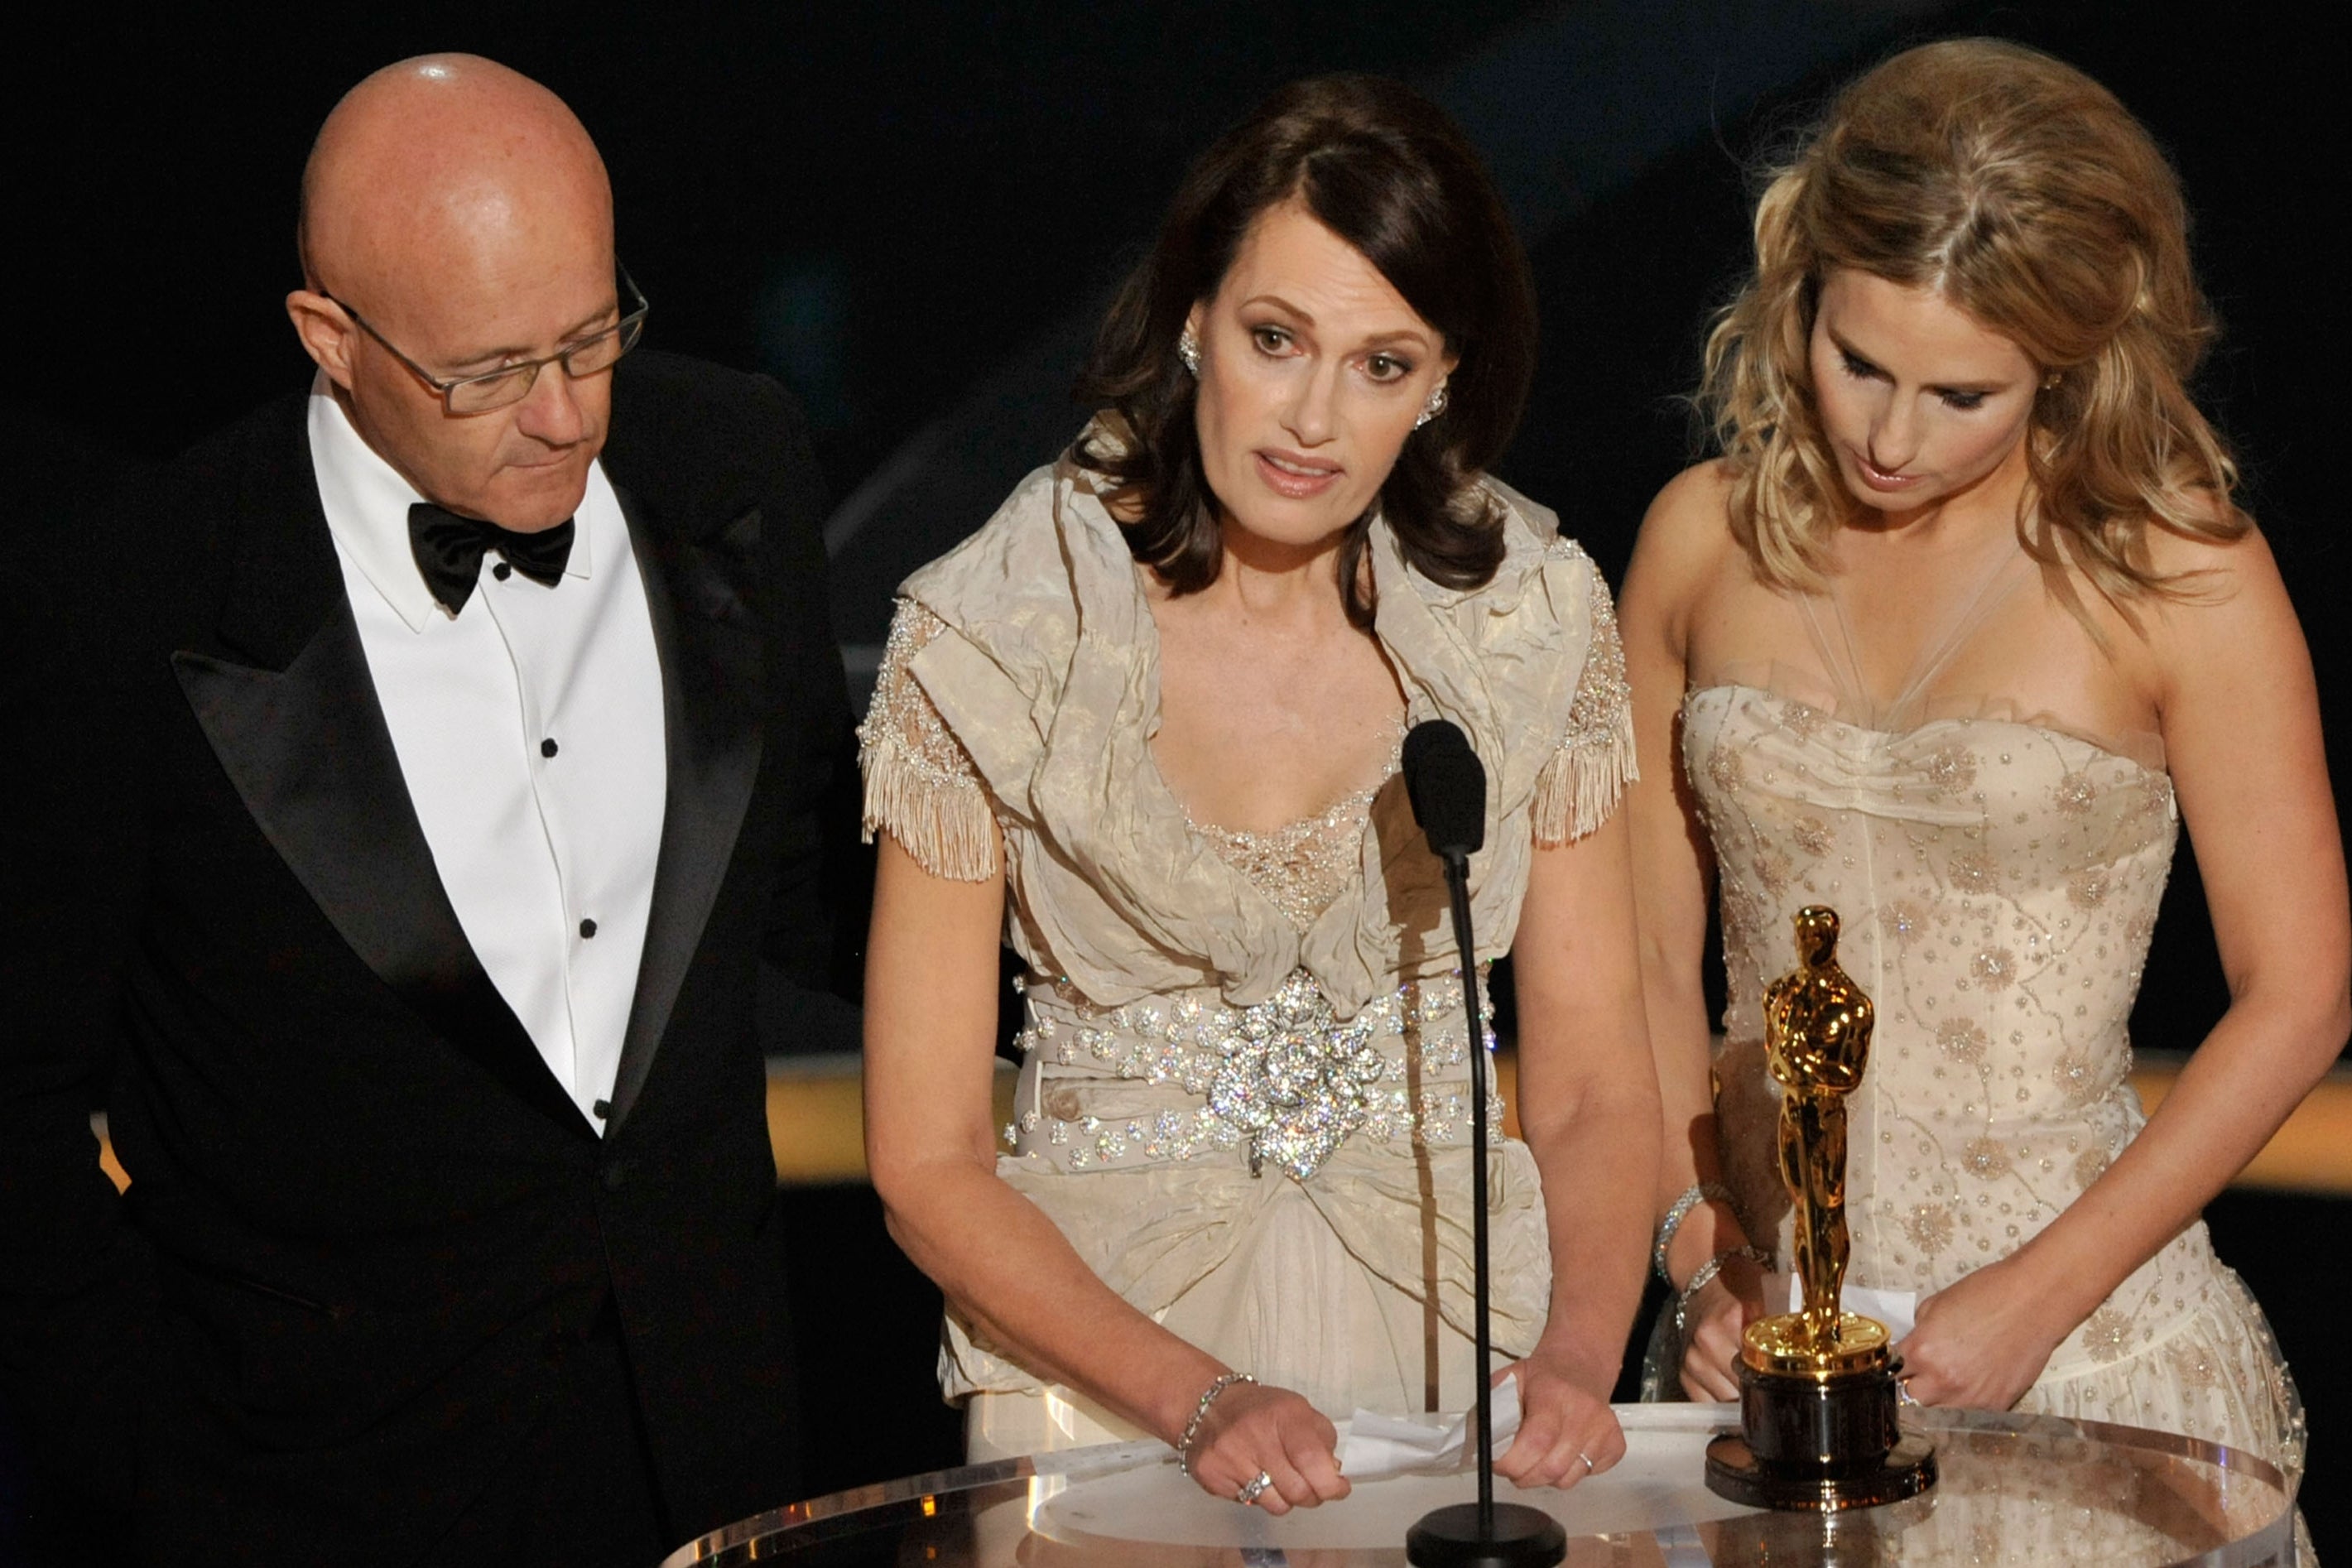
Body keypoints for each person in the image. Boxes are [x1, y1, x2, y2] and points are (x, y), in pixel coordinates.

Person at [0, 55, 849, 1566]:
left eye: (596, 336)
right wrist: (136, 1446)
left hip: (717, 1455)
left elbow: (802, 882)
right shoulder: (130, 595)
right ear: (329, 338)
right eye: (488, 370)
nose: (566, 415)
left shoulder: (737, 458)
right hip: (306, 1490)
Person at [859, 75, 1658, 1517]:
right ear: (1191, 317)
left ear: (1443, 383)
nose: (1310, 419)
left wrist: (1579, 1354)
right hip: (1102, 1384)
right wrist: (1201, 1397)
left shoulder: (1529, 620)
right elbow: (923, 1156)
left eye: (1379, 364)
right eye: (1275, 339)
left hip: (1459, 1360)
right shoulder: (997, 629)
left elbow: (1599, 1081)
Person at [1620, 36, 2344, 1493]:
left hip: (2084, 1344)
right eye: (1856, 361)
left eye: (1961, 396)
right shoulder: (1696, 538)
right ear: (1798, 294)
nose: (1886, 435)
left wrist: (2039, 1290)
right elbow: (1636, 954)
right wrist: (1698, 1255)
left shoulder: (2180, 575)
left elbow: (2299, 992)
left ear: (2068, 360)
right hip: (1756, 1348)